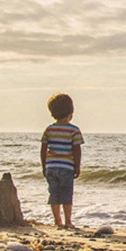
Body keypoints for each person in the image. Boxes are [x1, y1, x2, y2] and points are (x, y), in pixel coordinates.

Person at [40, 93, 84, 229]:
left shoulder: (49, 129)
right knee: (66, 194)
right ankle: (68, 221)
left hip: (51, 167)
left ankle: (57, 220)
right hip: (67, 167)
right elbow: (77, 150)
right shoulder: (74, 130)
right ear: (71, 112)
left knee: (54, 194)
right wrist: (77, 166)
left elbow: (43, 149)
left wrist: (44, 166)